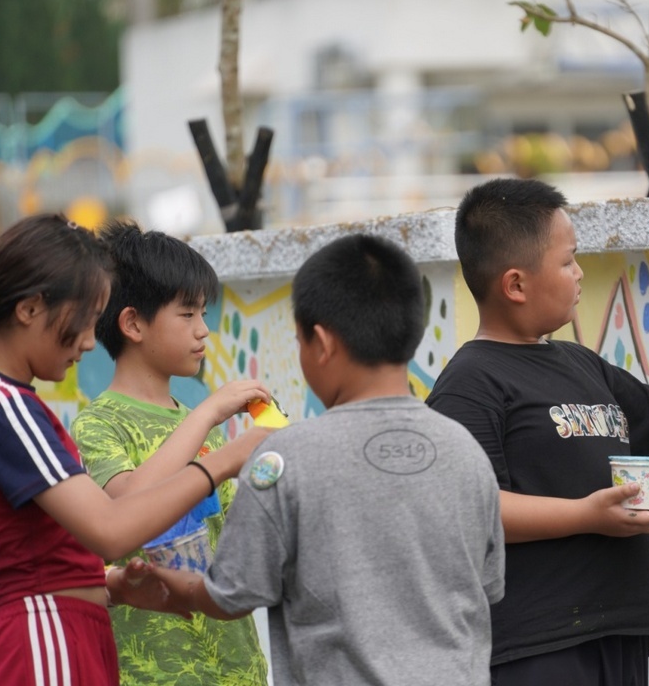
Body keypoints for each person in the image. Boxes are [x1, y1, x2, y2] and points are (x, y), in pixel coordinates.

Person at [424, 178, 649, 685]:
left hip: (617, 631)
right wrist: (587, 515)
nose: (580, 274)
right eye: (567, 261)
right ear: (515, 285)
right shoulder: (470, 383)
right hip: (538, 647)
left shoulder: (580, 363)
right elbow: (473, 507)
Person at [152, 234, 505, 686]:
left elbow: (230, 595)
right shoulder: (465, 451)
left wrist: (155, 587)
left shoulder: (283, 460)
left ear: (321, 343)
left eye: (299, 341)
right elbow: (489, 585)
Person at [0, 214, 272, 686]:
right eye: (81, 321)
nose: (87, 341)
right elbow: (111, 525)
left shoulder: (17, 406)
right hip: (48, 641)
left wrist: (116, 585)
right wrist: (223, 455)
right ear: (30, 309)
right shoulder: (9, 407)